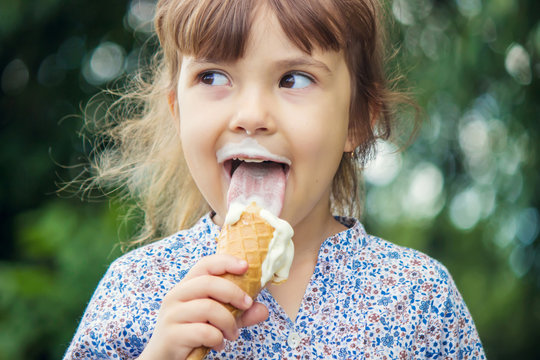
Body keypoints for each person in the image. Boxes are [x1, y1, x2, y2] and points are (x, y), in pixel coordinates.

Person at [64, 0, 486, 359]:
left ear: (357, 118)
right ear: (177, 111)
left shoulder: (418, 298)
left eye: (294, 79)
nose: (251, 116)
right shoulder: (135, 290)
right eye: (212, 76)